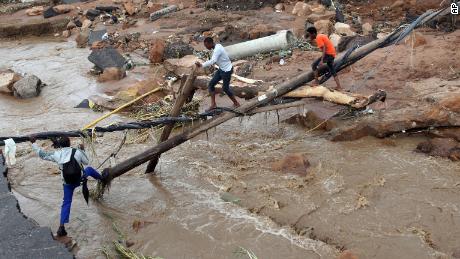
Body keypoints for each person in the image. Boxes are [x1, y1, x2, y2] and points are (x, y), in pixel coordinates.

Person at [29, 136, 102, 237]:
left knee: (66, 203)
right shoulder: (76, 152)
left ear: (60, 145)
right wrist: (82, 150)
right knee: (89, 169)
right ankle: (102, 179)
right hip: (80, 180)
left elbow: (42, 155)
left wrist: (33, 143)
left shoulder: (57, 154)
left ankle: (61, 227)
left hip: (67, 184)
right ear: (69, 143)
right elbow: (86, 162)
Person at [195, 37, 240, 110]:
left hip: (227, 71)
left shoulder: (217, 49)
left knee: (225, 89)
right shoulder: (218, 46)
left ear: (210, 43)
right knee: (211, 84)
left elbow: (213, 61)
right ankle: (213, 104)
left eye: (206, 46)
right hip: (222, 69)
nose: (206, 47)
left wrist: (202, 65)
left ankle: (236, 103)